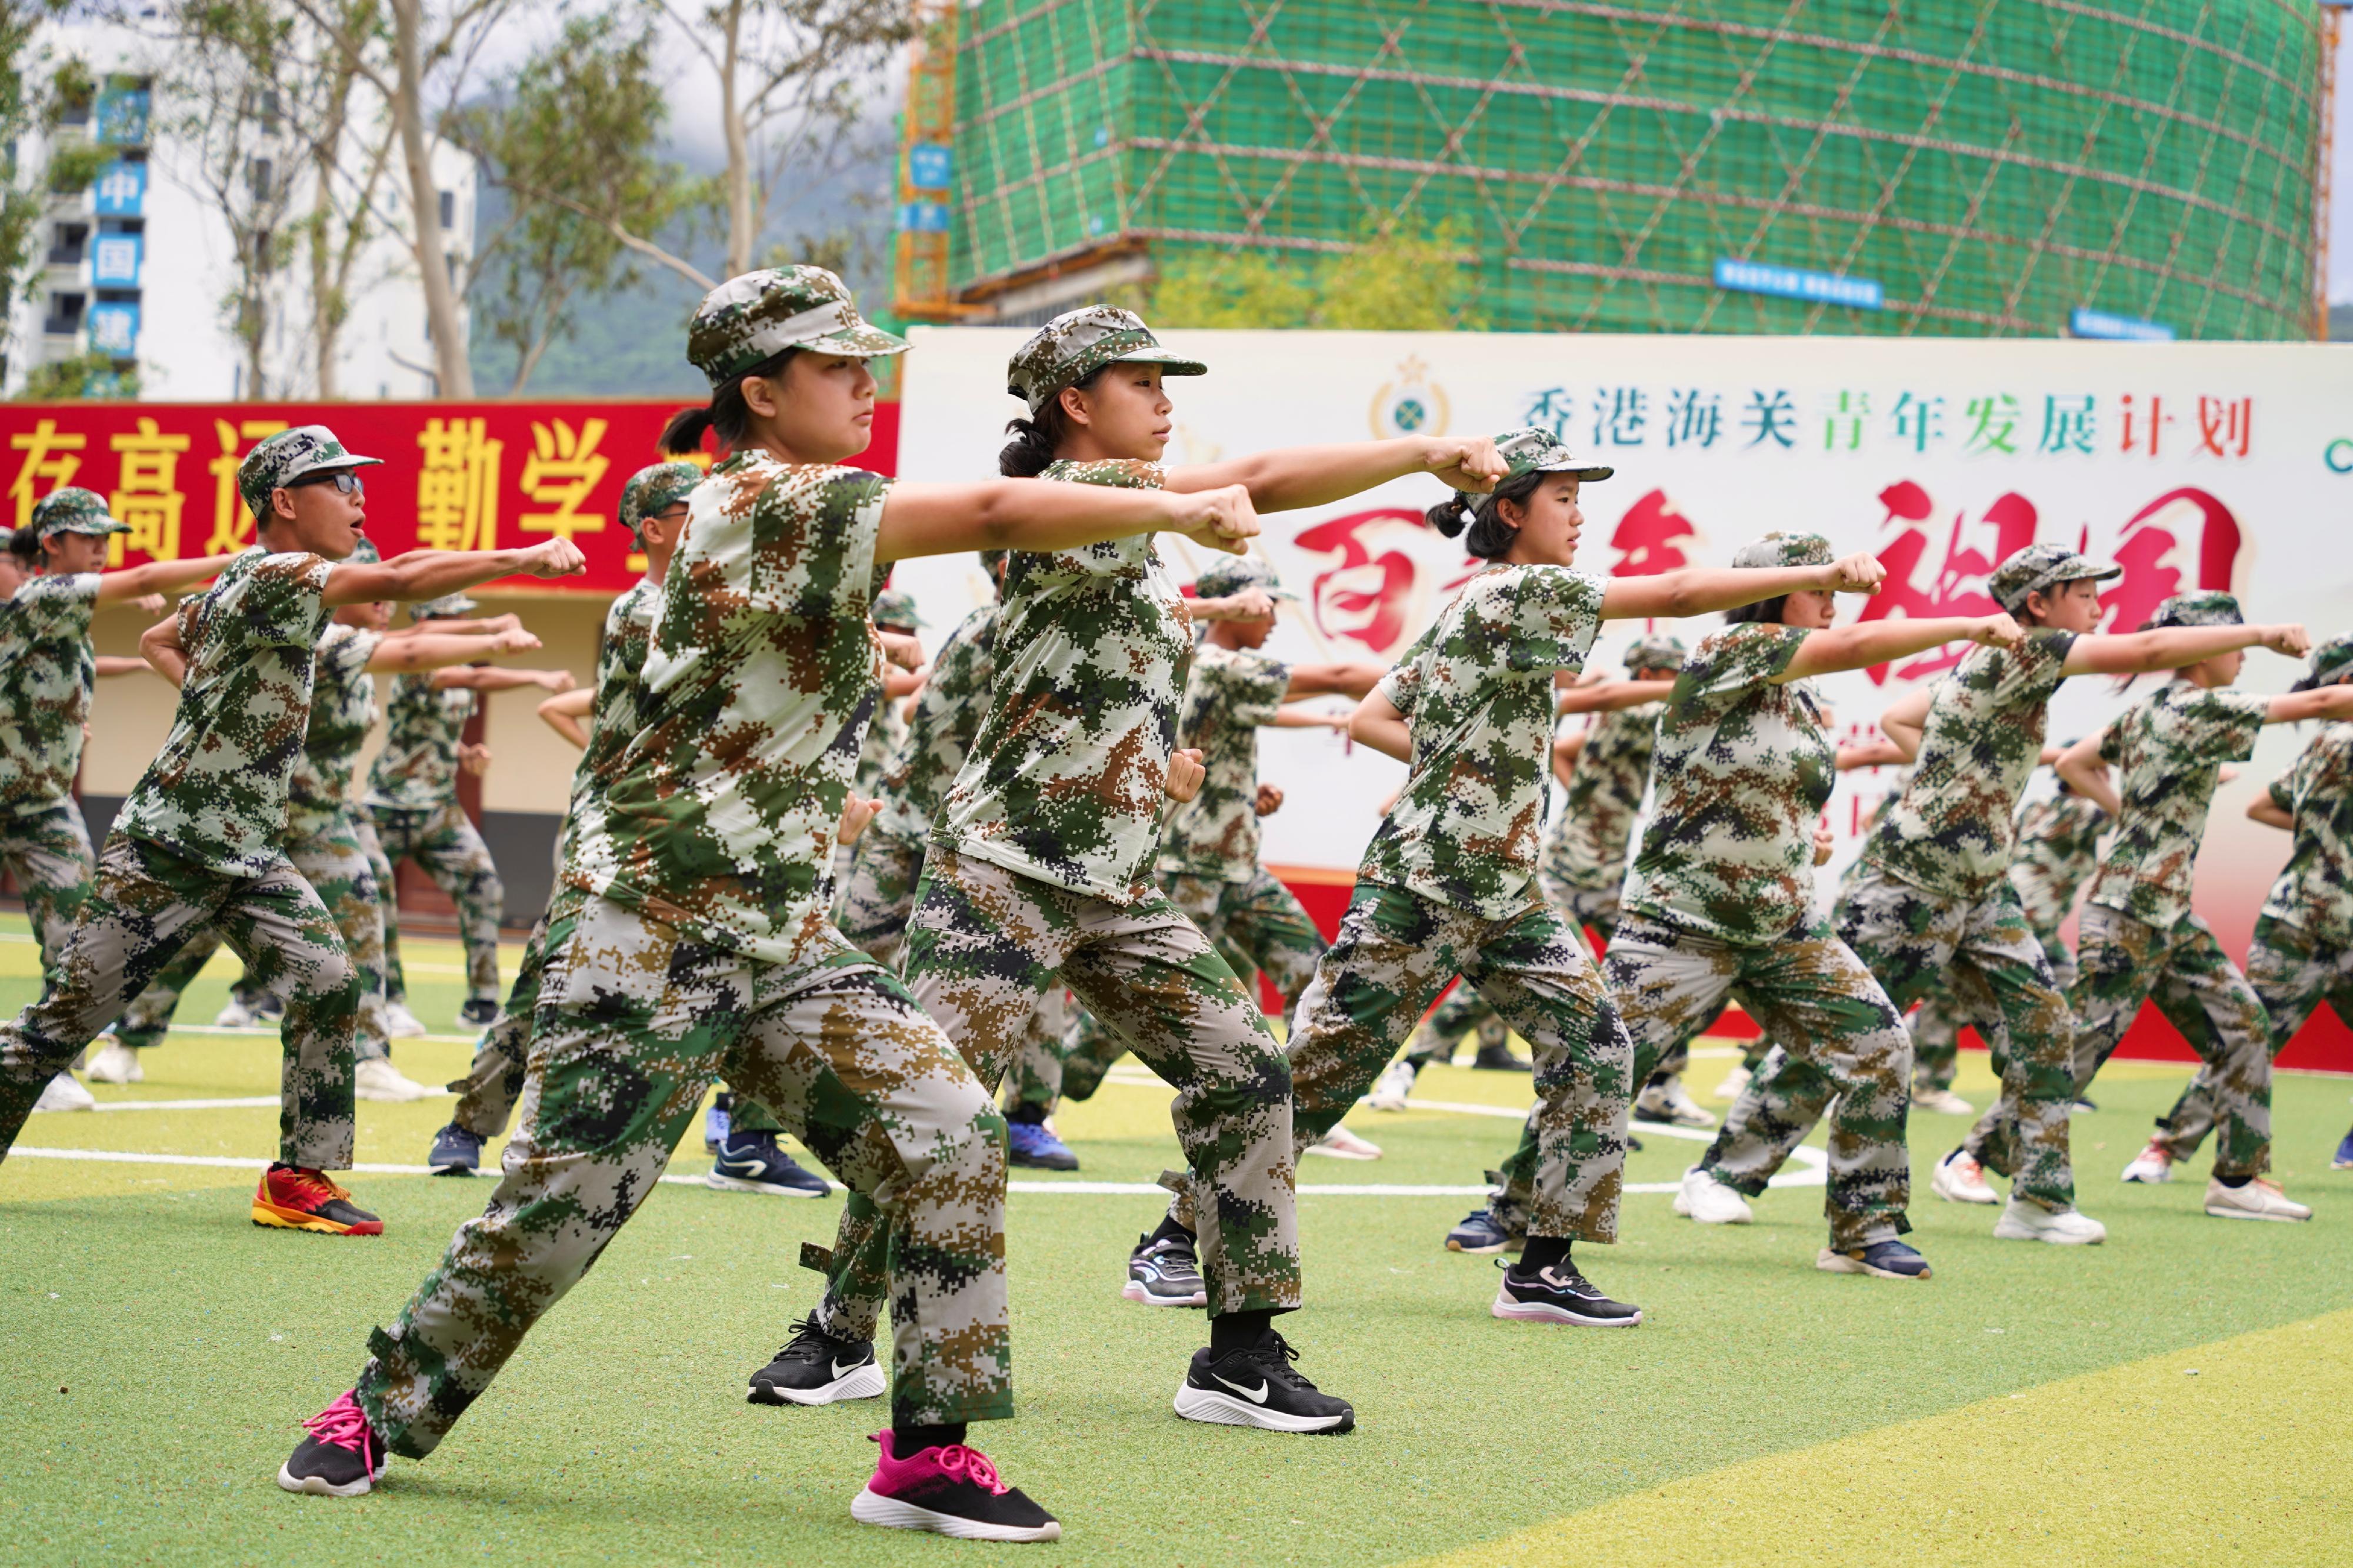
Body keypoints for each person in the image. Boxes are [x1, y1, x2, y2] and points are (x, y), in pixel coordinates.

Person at [277, 269, 1263, 1541]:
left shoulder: (808, 506)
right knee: (562, 1209)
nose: (868, 383)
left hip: (785, 930)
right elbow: (986, 506)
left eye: (870, 362)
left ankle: (924, 1451)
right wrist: (1186, 505)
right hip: (653, 923)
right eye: (839, 366)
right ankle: (377, 1402)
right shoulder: (752, 500)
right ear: (759, 392)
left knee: (952, 1135)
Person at [772, 306, 1509, 1439]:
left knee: (1245, 1071)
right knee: (939, 1116)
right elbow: (1256, 474)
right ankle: (837, 1333)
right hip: (1001, 875)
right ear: (1076, 401)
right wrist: (1415, 452)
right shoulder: (1069, 513)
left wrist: (1144, 766)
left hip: (1120, 885)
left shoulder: (1138, 521)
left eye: (1170, 382)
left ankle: (1240, 1355)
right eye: (1144, 380)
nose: (1167, 398)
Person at [1161, 429, 1887, 1333]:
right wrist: (1826, 579)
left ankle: (1543, 1266)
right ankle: (1171, 1236)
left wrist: (1450, 772)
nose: (1581, 516)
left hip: (1507, 889)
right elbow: (1675, 592)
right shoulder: (1524, 592)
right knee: (1316, 1077)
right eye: (1565, 499)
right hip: (1426, 884)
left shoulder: (1484, 602)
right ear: (1512, 510)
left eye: (1584, 500)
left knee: (1596, 1047)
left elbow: (1382, 713)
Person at [0, 428, 586, 1240]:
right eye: (340, 485)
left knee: (328, 975)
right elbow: (404, 576)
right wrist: (522, 554)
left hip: (248, 849)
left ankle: (295, 1178)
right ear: (283, 501)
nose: (360, 500)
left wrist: (212, 706)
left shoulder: (259, 584)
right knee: (61, 1024)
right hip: (170, 847)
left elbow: (166, 637)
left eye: (359, 484)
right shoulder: (279, 572)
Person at [1732, 544, 2304, 1248]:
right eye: (2085, 593)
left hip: (1980, 885)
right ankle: (1727, 1171)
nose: (2098, 606)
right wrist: (2260, 634)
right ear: (2039, 603)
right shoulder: (2023, 653)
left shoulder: (2006, 664)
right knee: (1851, 1031)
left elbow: (1906, 714)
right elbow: (2151, 647)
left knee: (2045, 1026)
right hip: (1911, 881)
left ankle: (2037, 1198)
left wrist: (1958, 769)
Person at [1592, 532, 2019, 1279]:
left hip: (1784, 925)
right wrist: (1965, 623)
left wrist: (1803, 838)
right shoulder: (1725, 650)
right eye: (1817, 587)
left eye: (1831, 590)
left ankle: (1862, 1228)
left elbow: (1766, 786)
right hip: (1681, 922)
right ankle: (1519, 1206)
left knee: (1878, 1046)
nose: (1829, 604)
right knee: (1601, 1067)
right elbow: (1851, 641)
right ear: (1770, 592)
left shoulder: (1803, 693)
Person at [101, 543, 547, 1105]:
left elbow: (406, 643)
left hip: (325, 819)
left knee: (364, 914)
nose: (385, 603)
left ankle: (369, 1057)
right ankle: (127, 1040)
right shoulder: (321, 640)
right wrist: (495, 643)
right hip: (260, 821)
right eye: (372, 591)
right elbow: (412, 650)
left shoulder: (359, 655)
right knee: (197, 935)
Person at [1035, 553, 1390, 1164]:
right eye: (1269, 603)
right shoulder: (1219, 661)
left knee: (1312, 970)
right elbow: (1336, 673)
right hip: (1192, 863)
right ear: (1242, 605)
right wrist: (1432, 679)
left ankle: (1302, 1112)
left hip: (1237, 863)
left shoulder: (1228, 669)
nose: (1276, 617)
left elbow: (1255, 719)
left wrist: (1250, 794)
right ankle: (1037, 1102)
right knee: (1124, 1009)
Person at [423, 462, 719, 1179]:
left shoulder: (704, 600)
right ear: (652, 529)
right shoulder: (642, 610)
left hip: (696, 820)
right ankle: (471, 1121)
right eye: (690, 510)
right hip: (617, 823)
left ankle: (746, 1137)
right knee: (553, 972)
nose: (710, 519)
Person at [2052, 595, 2349, 1217]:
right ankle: (1973, 1155)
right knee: (2087, 1046)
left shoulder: (2153, 708)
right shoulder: (2205, 710)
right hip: (2174, 913)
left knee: (2242, 1029)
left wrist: (2126, 816)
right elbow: (2320, 704)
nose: (2242, 654)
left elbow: (2077, 761)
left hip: (2176, 911)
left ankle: (2234, 1179)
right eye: (2233, 642)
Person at [1377, 636, 1688, 1112]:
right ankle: (1410, 1066)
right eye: (1673, 673)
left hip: (1608, 874)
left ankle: (1661, 1086)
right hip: (1565, 870)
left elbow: (1569, 748)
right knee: (1563, 973)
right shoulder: (1635, 714)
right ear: (1648, 676)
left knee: (1659, 965)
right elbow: (1675, 713)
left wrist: (1589, 794)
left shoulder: (1631, 715)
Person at [0, 498, 224, 1111]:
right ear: (51, 541)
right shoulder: (41, 597)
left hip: (43, 804)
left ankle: (44, 1069)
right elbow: (147, 579)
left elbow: (89, 665)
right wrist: (242, 563)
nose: (102, 546)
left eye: (108, 536)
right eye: (88, 536)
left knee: (76, 938)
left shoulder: (66, 614)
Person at [364, 594, 575, 1031]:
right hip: (389, 804)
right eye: (451, 616)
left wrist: (462, 752)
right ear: (426, 620)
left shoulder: (459, 678)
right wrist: (537, 675)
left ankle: (480, 1004)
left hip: (440, 809)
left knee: (484, 885)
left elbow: (431, 729)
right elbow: (463, 676)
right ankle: (390, 1000)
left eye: (464, 615)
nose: (461, 621)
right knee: (369, 895)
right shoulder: (419, 664)